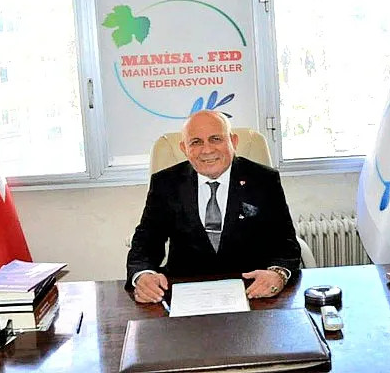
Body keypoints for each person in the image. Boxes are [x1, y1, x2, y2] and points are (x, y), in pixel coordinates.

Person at [126, 110, 301, 303]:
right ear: (184, 148)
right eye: (196, 142)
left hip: (252, 290)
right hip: (185, 289)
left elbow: (286, 243)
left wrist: (277, 273)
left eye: (215, 139)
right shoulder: (166, 183)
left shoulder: (263, 180)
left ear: (233, 141)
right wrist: (143, 275)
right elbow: (146, 240)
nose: (207, 150)